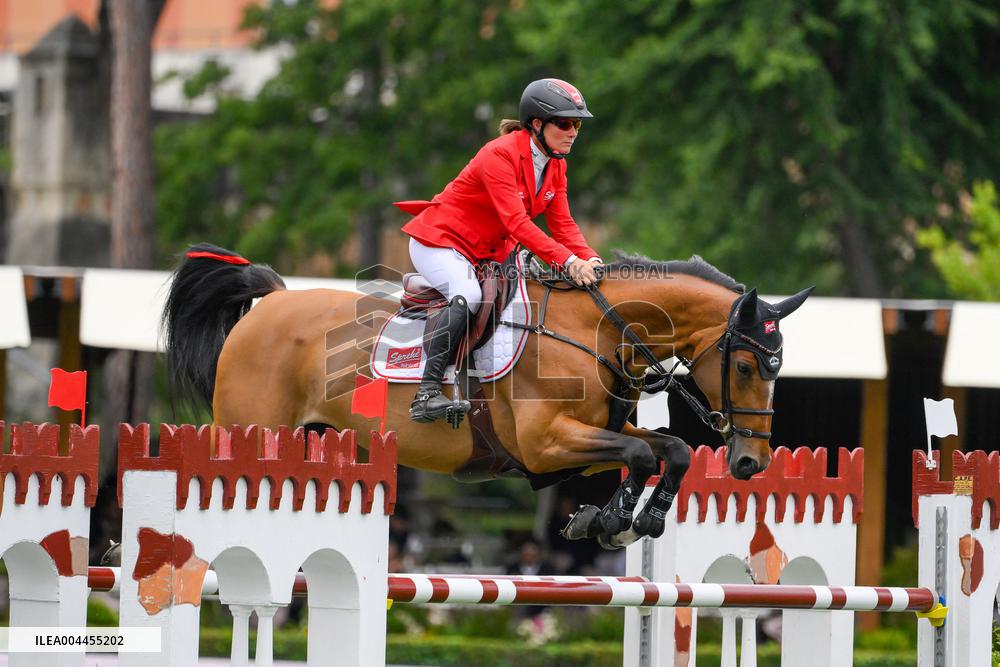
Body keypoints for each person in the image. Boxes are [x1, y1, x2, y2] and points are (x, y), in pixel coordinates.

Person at [396, 78, 604, 424]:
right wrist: (569, 262)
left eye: (577, 125)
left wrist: (590, 258)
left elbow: (563, 224)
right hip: (441, 241)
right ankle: (427, 393)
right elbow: (517, 223)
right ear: (536, 124)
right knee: (469, 294)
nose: (572, 133)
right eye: (565, 123)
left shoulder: (556, 164)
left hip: (489, 253)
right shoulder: (499, 154)